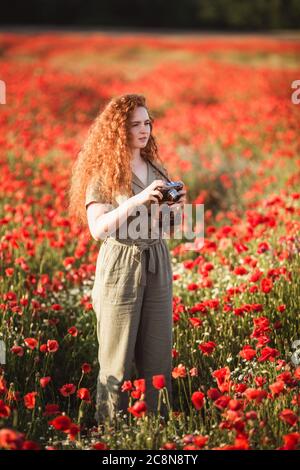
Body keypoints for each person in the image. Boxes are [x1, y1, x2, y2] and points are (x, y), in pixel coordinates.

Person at [68, 93, 186, 426]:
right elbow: (98, 229)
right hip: (121, 263)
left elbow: (170, 227)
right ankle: (112, 431)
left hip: (156, 260)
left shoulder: (156, 169)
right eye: (134, 124)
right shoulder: (104, 174)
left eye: (147, 122)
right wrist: (138, 200)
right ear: (119, 129)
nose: (143, 129)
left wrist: (176, 210)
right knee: (116, 357)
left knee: (158, 355)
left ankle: (156, 429)